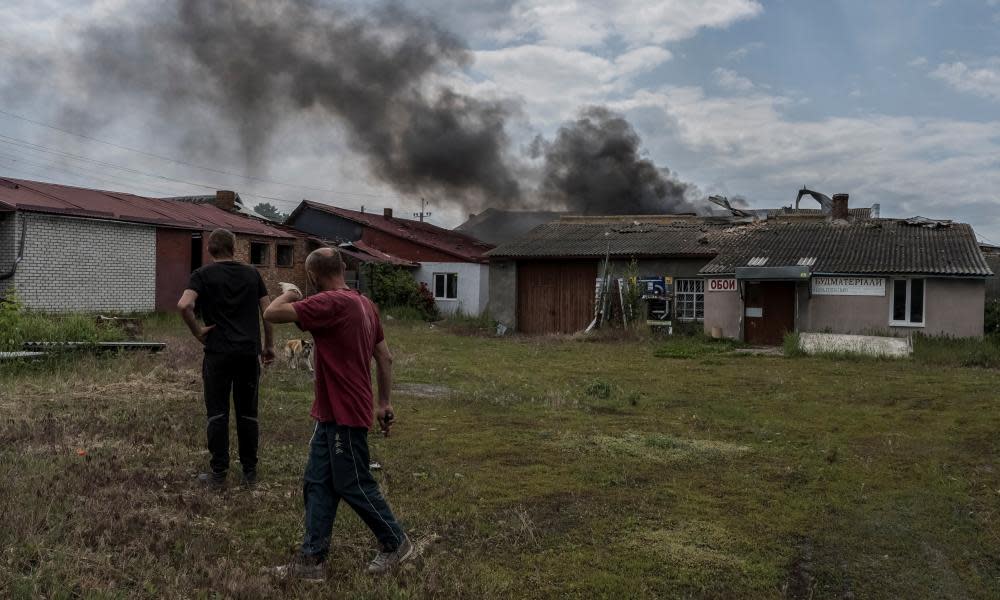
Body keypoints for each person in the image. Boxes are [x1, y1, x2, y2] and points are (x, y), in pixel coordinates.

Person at [263, 247, 411, 578]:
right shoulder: (365, 304)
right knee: (318, 481)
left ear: (314, 276)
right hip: (330, 411)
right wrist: (384, 402)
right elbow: (385, 358)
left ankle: (395, 542)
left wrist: (289, 292)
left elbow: (271, 314)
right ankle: (311, 561)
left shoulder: (328, 302)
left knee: (353, 482)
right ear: (343, 268)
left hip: (345, 410)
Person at [177, 228, 275, 488]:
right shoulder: (253, 274)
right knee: (248, 413)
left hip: (218, 355)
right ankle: (249, 474)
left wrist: (198, 332)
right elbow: (268, 312)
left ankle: (219, 474)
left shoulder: (202, 275)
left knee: (217, 413)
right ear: (234, 248)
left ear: (210, 249)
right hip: (247, 354)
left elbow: (184, 305)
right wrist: (269, 346)